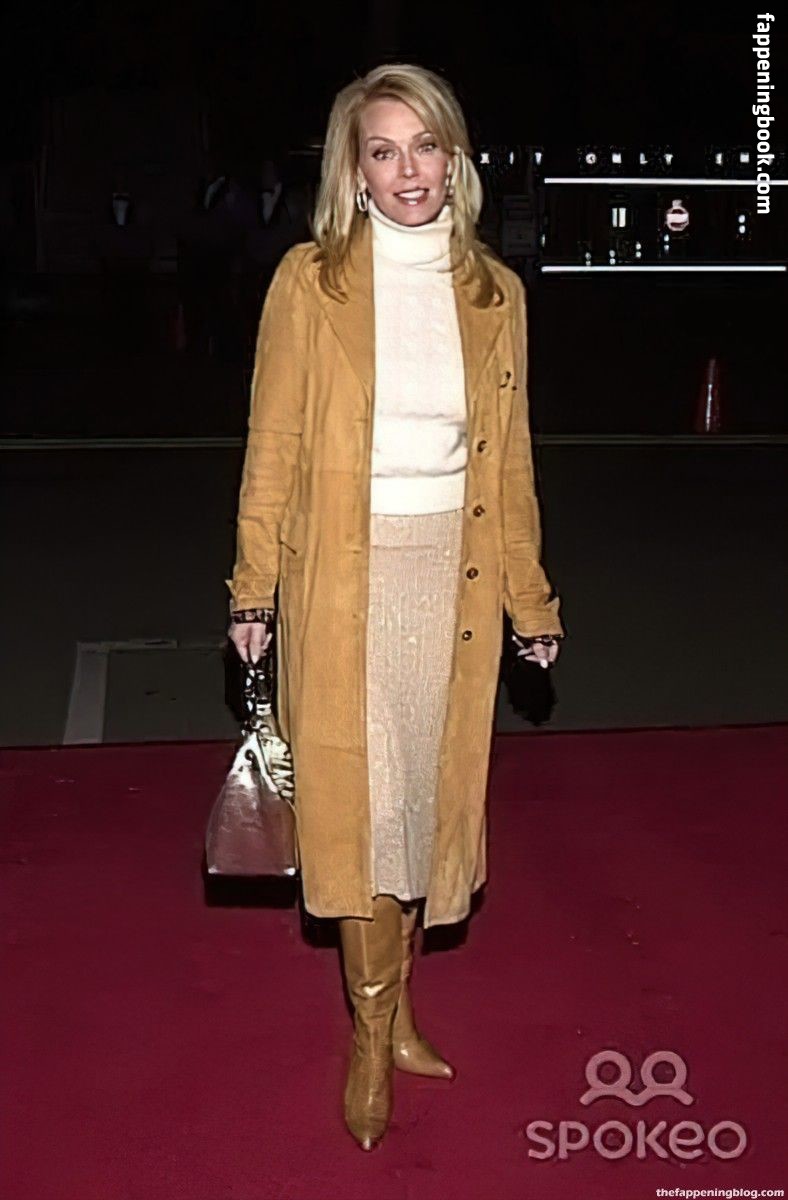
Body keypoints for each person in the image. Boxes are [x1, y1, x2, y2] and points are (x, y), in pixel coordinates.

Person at [225, 63, 566, 1151]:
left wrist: (529, 597)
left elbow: (510, 464)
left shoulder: (495, 295)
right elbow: (272, 444)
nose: (407, 170)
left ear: (454, 160)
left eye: (424, 146)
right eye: (383, 151)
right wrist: (252, 585)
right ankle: (371, 1036)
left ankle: (401, 1006)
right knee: (362, 817)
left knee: (421, 808)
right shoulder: (310, 283)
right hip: (342, 579)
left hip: (451, 582)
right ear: (355, 171)